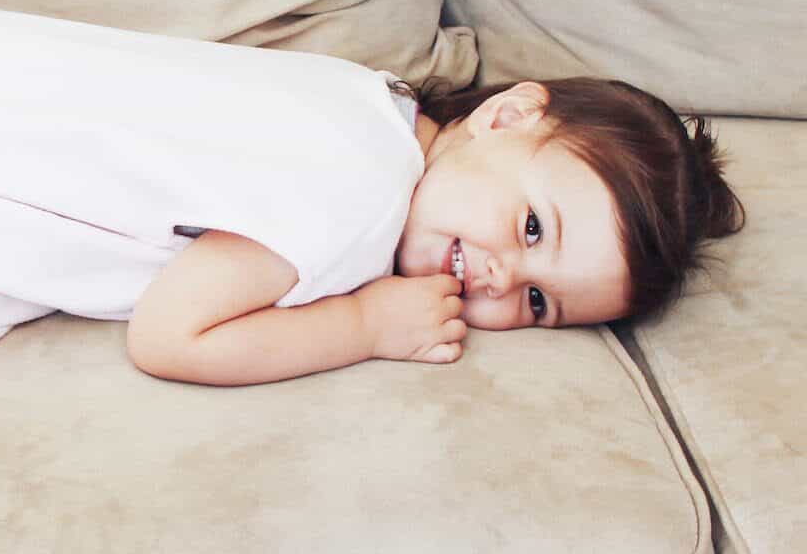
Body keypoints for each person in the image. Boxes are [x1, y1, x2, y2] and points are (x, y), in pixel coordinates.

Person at [128, 73, 746, 387]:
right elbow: (168, 338)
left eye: (537, 301)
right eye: (532, 229)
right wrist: (363, 326)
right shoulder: (361, 187)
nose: (500, 279)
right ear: (506, 116)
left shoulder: (371, 100)